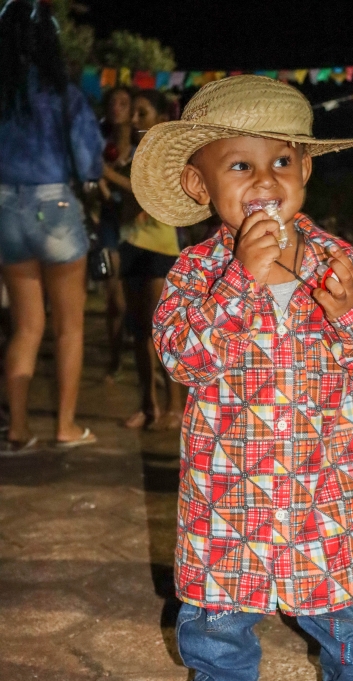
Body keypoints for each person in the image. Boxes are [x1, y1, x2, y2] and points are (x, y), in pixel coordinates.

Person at [131, 75, 353, 681]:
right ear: (199, 185)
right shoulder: (196, 273)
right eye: (240, 165)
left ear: (306, 169)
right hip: (228, 492)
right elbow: (182, 358)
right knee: (220, 604)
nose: (265, 180)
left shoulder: (343, 265)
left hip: (326, 488)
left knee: (345, 601)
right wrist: (240, 281)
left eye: (282, 160)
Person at [0, 0, 103, 453]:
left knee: (25, 327)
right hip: (54, 205)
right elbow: (89, 161)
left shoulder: (3, 95)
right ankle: (65, 426)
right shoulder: (64, 94)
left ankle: (18, 429)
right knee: (69, 327)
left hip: (5, 207)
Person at [115, 89, 185, 430]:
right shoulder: (129, 155)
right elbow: (129, 205)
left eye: (141, 113)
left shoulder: (167, 155)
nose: (133, 119)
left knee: (161, 331)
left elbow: (142, 192)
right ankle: (148, 405)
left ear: (161, 118)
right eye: (133, 113)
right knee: (139, 331)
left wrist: (103, 172)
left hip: (161, 249)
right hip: (131, 244)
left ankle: (175, 406)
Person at [98, 86, 134, 382]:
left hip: (139, 226)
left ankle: (145, 362)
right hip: (108, 224)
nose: (117, 107)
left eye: (123, 103)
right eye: (112, 102)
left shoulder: (143, 144)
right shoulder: (98, 143)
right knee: (114, 299)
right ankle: (114, 359)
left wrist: (107, 176)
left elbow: (144, 190)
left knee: (141, 300)